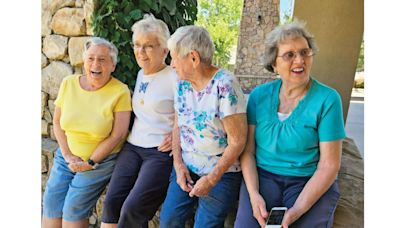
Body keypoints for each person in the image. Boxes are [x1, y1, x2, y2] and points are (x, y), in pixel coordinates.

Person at [234, 21, 346, 228]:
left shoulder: (328, 99)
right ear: (274, 64)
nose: (300, 60)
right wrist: (253, 194)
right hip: (263, 176)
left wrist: (297, 211)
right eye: (289, 55)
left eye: (305, 52)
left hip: (308, 178)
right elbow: (248, 152)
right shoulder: (259, 96)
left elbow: (329, 165)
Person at [159, 25, 248, 228]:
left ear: (193, 58)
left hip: (221, 173)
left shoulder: (225, 85)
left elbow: (237, 141)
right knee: (168, 221)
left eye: (174, 58)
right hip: (187, 166)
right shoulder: (181, 83)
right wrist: (178, 165)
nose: (171, 65)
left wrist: (211, 179)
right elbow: (178, 126)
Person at [42, 37, 132, 228]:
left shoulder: (120, 91)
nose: (95, 64)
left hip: (100, 161)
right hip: (66, 157)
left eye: (102, 60)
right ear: (84, 61)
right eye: (91, 58)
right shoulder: (69, 83)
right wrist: (67, 155)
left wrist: (90, 162)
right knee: (51, 203)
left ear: (113, 66)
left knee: (73, 208)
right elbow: (57, 122)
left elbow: (118, 134)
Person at [101, 14, 177, 228]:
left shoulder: (175, 77)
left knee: (133, 209)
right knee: (112, 203)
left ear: (164, 50)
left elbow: (192, 111)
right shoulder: (141, 73)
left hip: (160, 152)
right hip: (133, 146)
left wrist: (177, 135)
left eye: (148, 46)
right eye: (137, 45)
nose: (140, 52)